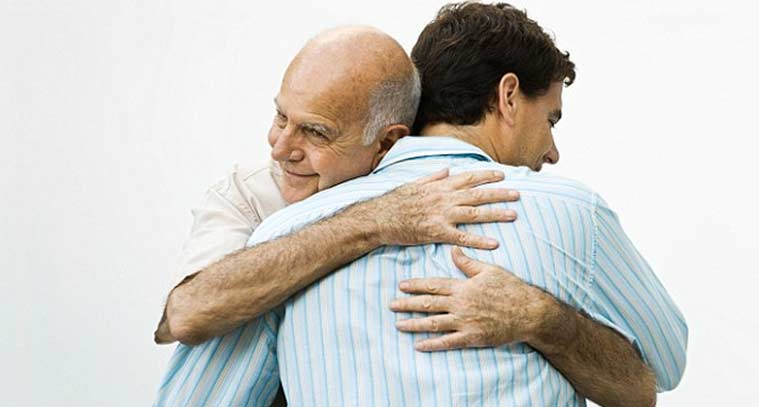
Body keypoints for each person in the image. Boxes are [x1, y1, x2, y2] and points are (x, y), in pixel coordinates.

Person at [153, 6, 682, 407]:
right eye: (551, 120)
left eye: (314, 131)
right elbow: (665, 369)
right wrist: (375, 220)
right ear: (508, 96)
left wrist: (540, 318)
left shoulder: (281, 234)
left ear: (390, 137)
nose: (552, 151)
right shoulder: (571, 212)